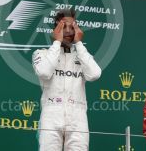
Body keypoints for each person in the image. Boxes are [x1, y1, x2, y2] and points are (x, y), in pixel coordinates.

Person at [32, 9, 102, 150]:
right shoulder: (41, 53)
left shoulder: (82, 56)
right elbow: (44, 73)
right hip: (51, 115)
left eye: (72, 27)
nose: (68, 31)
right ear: (56, 29)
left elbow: (95, 74)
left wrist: (79, 44)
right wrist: (57, 42)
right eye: (63, 27)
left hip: (78, 117)